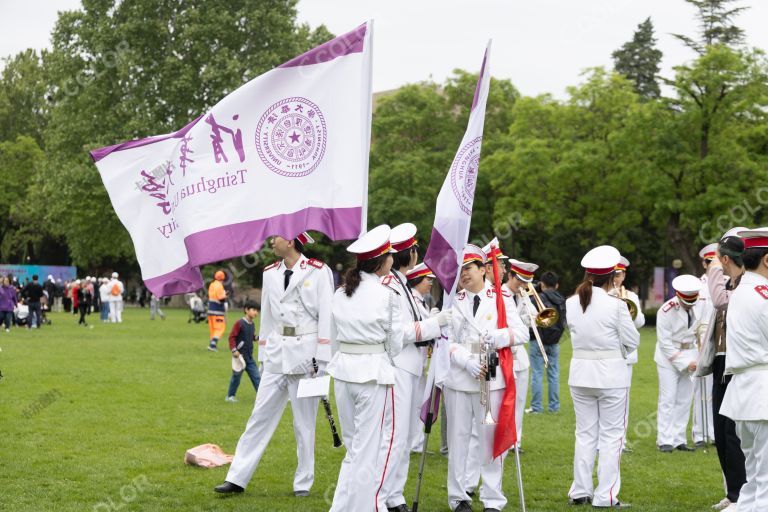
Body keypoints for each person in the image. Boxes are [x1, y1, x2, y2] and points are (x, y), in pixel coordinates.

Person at [214, 232, 334, 498]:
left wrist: (323, 359)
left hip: (307, 356)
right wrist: (264, 355)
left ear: (290, 241)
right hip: (277, 354)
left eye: (276, 238)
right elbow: (267, 316)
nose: (270, 242)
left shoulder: (318, 271)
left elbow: (327, 315)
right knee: (259, 417)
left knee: (304, 424)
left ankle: (303, 483)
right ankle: (236, 477)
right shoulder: (270, 272)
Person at [326, 225, 405, 512]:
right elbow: (395, 344)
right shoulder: (388, 296)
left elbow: (333, 338)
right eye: (390, 256)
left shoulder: (340, 292)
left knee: (355, 448)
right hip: (373, 373)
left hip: (344, 372)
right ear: (382, 260)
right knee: (367, 451)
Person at [444, 244, 527, 512]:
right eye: (461, 271)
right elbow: (446, 341)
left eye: (468, 269)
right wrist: (466, 361)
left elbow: (521, 333)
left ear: (483, 269)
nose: (464, 275)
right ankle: (458, 497)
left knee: (490, 439)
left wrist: (500, 337)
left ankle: (492, 499)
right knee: (458, 439)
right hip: (460, 373)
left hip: (491, 371)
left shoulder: (501, 298)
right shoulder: (452, 301)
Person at [377, 223, 448, 512]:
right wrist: (435, 324)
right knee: (393, 437)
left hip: (411, 368)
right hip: (398, 367)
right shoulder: (391, 286)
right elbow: (400, 333)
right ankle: (381, 497)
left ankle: (395, 495)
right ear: (412, 254)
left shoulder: (402, 285)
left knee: (405, 438)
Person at [566, 245, 639, 508]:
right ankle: (605, 496)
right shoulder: (616, 306)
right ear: (611, 276)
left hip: (580, 375)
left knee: (585, 435)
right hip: (611, 378)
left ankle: (580, 491)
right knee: (611, 438)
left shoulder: (571, 303)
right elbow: (633, 340)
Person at [697, 231, 747, 511]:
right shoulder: (728, 282)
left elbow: (719, 300)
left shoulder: (746, 285)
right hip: (720, 361)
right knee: (720, 429)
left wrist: (715, 268)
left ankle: (742, 494)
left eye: (719, 259)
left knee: (733, 432)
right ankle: (732, 491)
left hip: (738, 363)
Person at [719, 228, 768, 512]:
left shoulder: (742, 289)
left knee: (753, 476)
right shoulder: (762, 293)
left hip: (746, 389)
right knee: (763, 476)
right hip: (761, 386)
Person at [654, 274, 705, 452]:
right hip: (668, 357)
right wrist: (685, 363)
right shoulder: (666, 310)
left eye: (693, 300)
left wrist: (699, 359)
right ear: (678, 295)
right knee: (668, 399)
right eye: (686, 301)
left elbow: (703, 333)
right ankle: (664, 439)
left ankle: (678, 438)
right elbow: (665, 343)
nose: (689, 304)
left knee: (684, 399)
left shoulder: (701, 304)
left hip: (691, 353)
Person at [608, 256, 645, 450]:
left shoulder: (630, 295)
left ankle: (620, 440)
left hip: (627, 354)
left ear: (624, 275)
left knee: (624, 398)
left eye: (619, 274)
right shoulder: (603, 294)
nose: (616, 278)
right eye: (613, 274)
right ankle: (604, 440)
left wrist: (628, 305)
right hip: (608, 352)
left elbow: (639, 324)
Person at [502, 256, 536, 445]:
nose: (522, 285)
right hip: (504, 354)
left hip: (520, 357)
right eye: (520, 281)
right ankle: (502, 438)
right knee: (502, 401)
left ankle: (515, 441)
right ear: (510, 275)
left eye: (526, 282)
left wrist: (532, 315)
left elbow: (532, 322)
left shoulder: (523, 297)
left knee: (520, 401)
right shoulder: (499, 294)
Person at [406, 262, 437, 454]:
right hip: (414, 356)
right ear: (417, 280)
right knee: (413, 403)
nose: (431, 283)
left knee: (418, 402)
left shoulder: (421, 301)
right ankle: (412, 443)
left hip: (421, 357)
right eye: (428, 279)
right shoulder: (413, 301)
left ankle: (415, 442)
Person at [530, 270, 566, 414]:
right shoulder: (562, 299)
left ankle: (537, 408)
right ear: (557, 285)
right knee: (553, 374)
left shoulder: (536, 298)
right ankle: (554, 407)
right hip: (555, 342)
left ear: (541, 284)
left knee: (537, 374)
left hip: (537, 341)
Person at [693, 243, 717, 448]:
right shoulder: (697, 286)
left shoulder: (724, 283)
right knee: (700, 391)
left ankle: (714, 432)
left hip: (719, 342)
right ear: (703, 263)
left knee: (715, 390)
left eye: (714, 261)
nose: (711, 265)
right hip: (698, 342)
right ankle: (700, 433)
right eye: (708, 262)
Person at [225, 301, 261, 402]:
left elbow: (252, 337)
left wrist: (258, 338)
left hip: (249, 358)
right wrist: (234, 350)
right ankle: (230, 396)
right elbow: (232, 337)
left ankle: (261, 397)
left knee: (256, 377)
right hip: (239, 357)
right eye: (254, 310)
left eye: (257, 311)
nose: (256, 313)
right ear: (246, 310)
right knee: (236, 378)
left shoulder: (252, 324)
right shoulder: (239, 323)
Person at [207, 270, 227, 351]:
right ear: (223, 278)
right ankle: (213, 345)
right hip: (217, 311)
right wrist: (225, 295)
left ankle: (211, 344)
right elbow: (221, 299)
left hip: (210, 310)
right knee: (219, 328)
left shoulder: (212, 284)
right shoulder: (219, 286)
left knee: (213, 329)